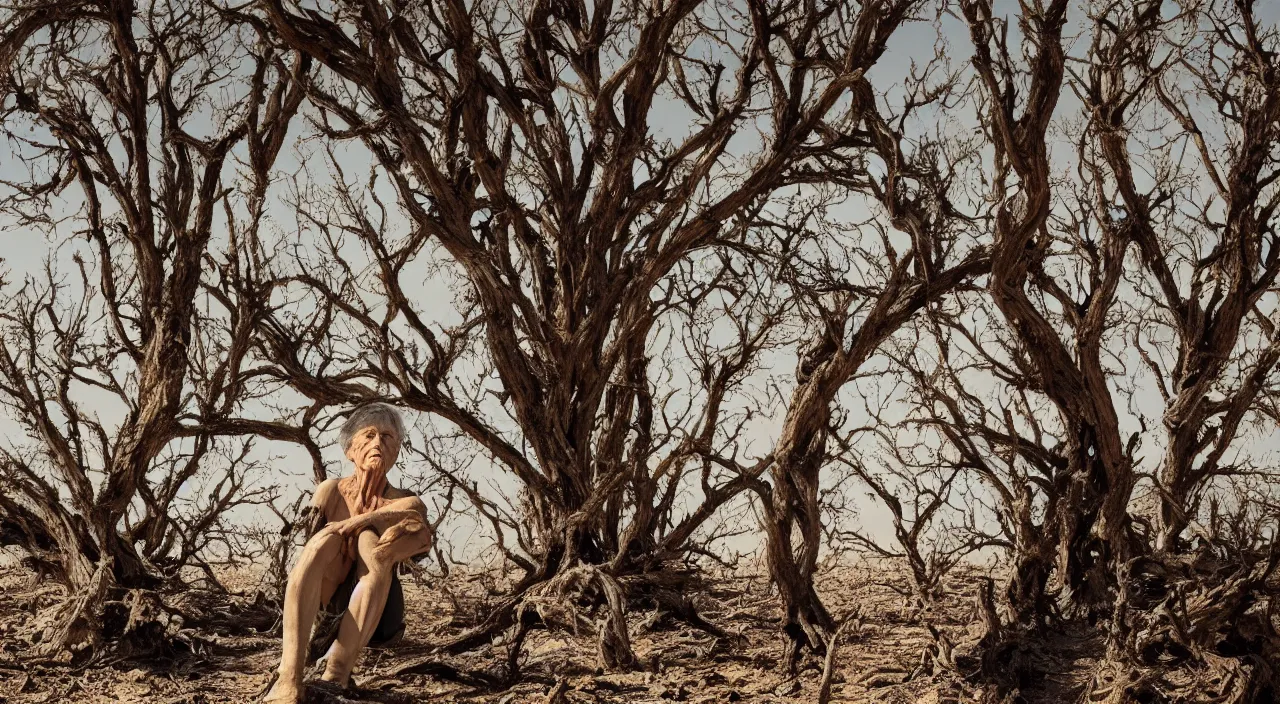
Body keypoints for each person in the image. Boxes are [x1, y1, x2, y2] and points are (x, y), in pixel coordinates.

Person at [265, 403, 433, 704]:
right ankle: (289, 676)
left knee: (370, 541)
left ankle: (337, 672)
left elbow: (417, 519)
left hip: (379, 620)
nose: (377, 443)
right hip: (326, 607)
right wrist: (341, 530)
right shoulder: (331, 491)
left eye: (387, 436)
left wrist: (360, 521)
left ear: (395, 452)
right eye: (368, 436)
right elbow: (310, 552)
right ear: (350, 450)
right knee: (326, 539)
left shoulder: (405, 500)